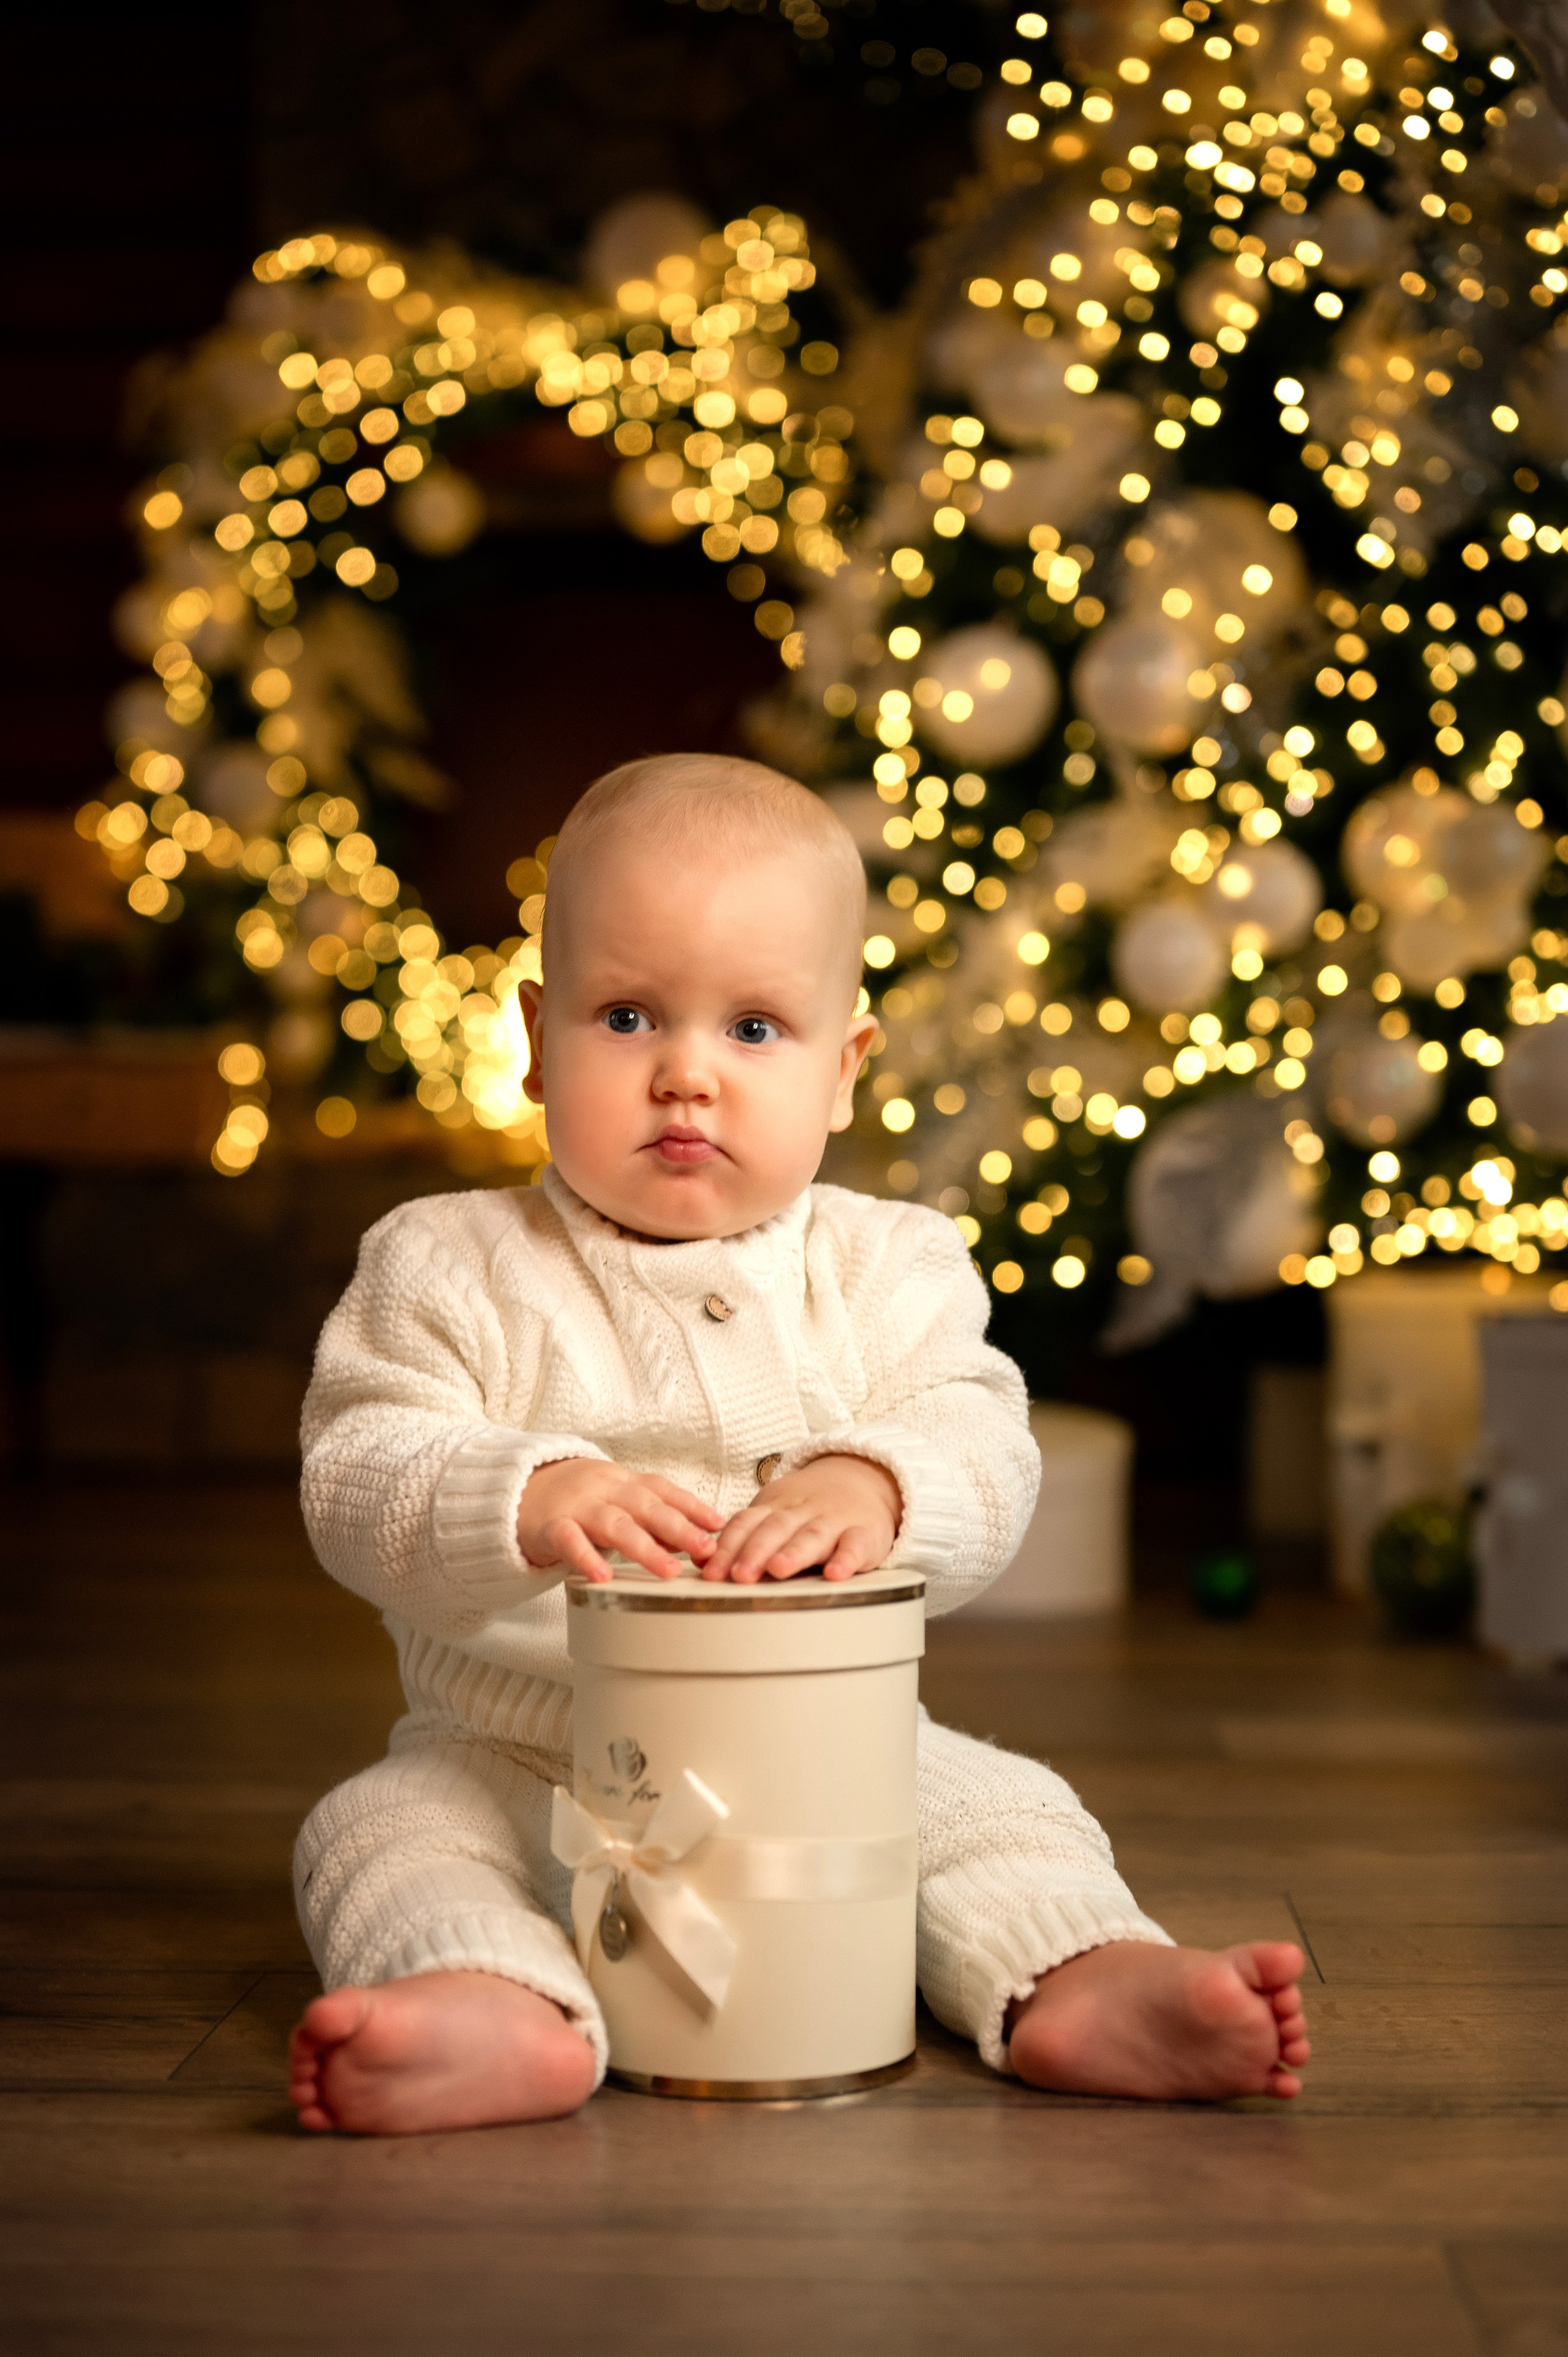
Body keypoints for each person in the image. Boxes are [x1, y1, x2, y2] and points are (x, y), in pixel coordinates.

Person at [288, 753, 1310, 2134]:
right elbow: (358, 1465)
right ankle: (488, 1999)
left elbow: (981, 1439)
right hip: (521, 1754)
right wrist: (520, 1493)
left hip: (838, 1747)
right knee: (382, 1835)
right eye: (627, 1014)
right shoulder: (447, 1263)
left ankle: (1086, 1975)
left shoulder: (891, 1267)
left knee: (999, 1812)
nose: (685, 1076)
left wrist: (877, 1478)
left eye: (755, 1029)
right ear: (535, 1036)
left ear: (845, 1068)